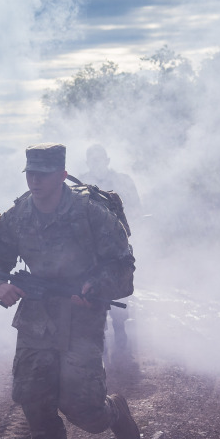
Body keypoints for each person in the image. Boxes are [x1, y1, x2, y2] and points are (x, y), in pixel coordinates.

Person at [0, 142, 140, 439]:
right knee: (35, 401)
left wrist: (95, 287)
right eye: (29, 173)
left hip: (82, 320)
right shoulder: (16, 216)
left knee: (84, 410)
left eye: (43, 174)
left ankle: (113, 411)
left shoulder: (92, 213)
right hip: (36, 320)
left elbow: (124, 270)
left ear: (63, 175)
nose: (34, 180)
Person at [80, 144, 141, 361]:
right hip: (91, 246)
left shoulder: (122, 181)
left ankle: (120, 327)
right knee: (95, 286)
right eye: (92, 159)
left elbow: (135, 207)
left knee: (119, 285)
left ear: (107, 160)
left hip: (118, 242)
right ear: (88, 162)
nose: (97, 163)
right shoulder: (81, 185)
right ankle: (101, 335)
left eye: (100, 159)